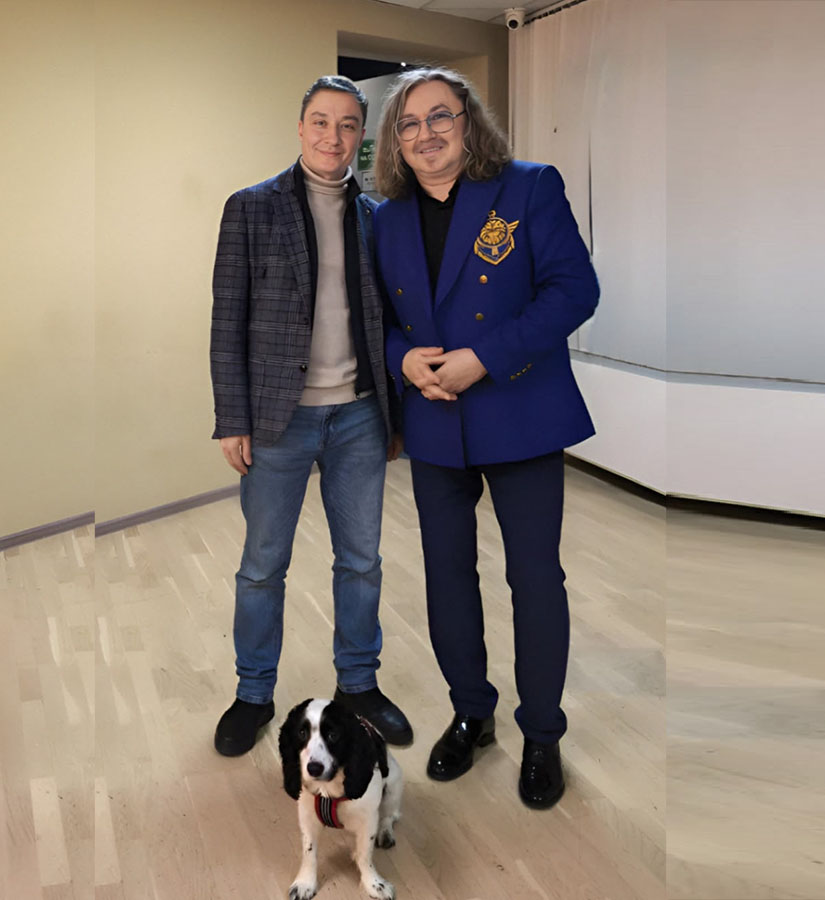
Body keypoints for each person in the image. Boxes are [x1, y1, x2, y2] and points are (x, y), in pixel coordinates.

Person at [373, 67, 599, 808]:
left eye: (440, 116)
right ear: (395, 141)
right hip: (436, 418)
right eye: (409, 123)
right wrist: (402, 359)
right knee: (447, 576)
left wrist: (486, 357)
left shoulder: (528, 188)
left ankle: (542, 733)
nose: (426, 134)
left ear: (469, 123)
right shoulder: (385, 218)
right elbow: (378, 320)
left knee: (534, 579)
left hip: (520, 409)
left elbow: (574, 291)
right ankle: (472, 712)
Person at [210, 75, 412, 756]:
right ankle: (253, 692)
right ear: (301, 128)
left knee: (361, 562)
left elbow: (390, 320)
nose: (334, 136)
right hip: (278, 421)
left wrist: (393, 417)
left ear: (361, 137)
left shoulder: (377, 216)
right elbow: (227, 321)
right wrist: (231, 417)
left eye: (349, 124)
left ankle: (358, 684)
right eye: (322, 122)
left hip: (358, 418)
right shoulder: (251, 208)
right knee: (262, 566)